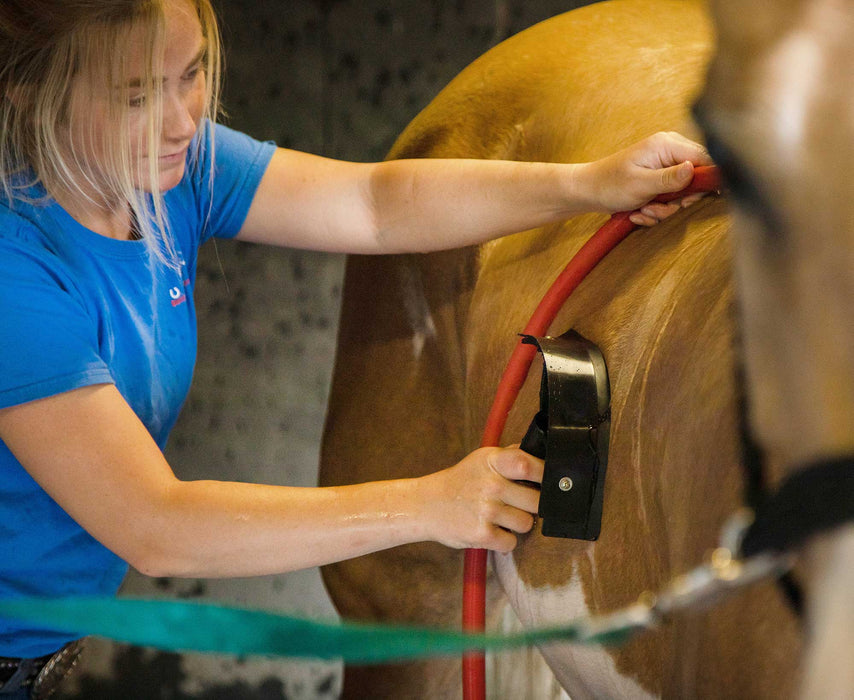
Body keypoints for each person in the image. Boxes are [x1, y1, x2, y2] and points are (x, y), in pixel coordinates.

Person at [0, 0, 712, 696]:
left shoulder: (168, 172)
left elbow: (374, 207)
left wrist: (593, 184)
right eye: (135, 98)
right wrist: (429, 504)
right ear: (31, 92)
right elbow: (158, 528)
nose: (183, 120)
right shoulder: (15, 272)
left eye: (190, 73)